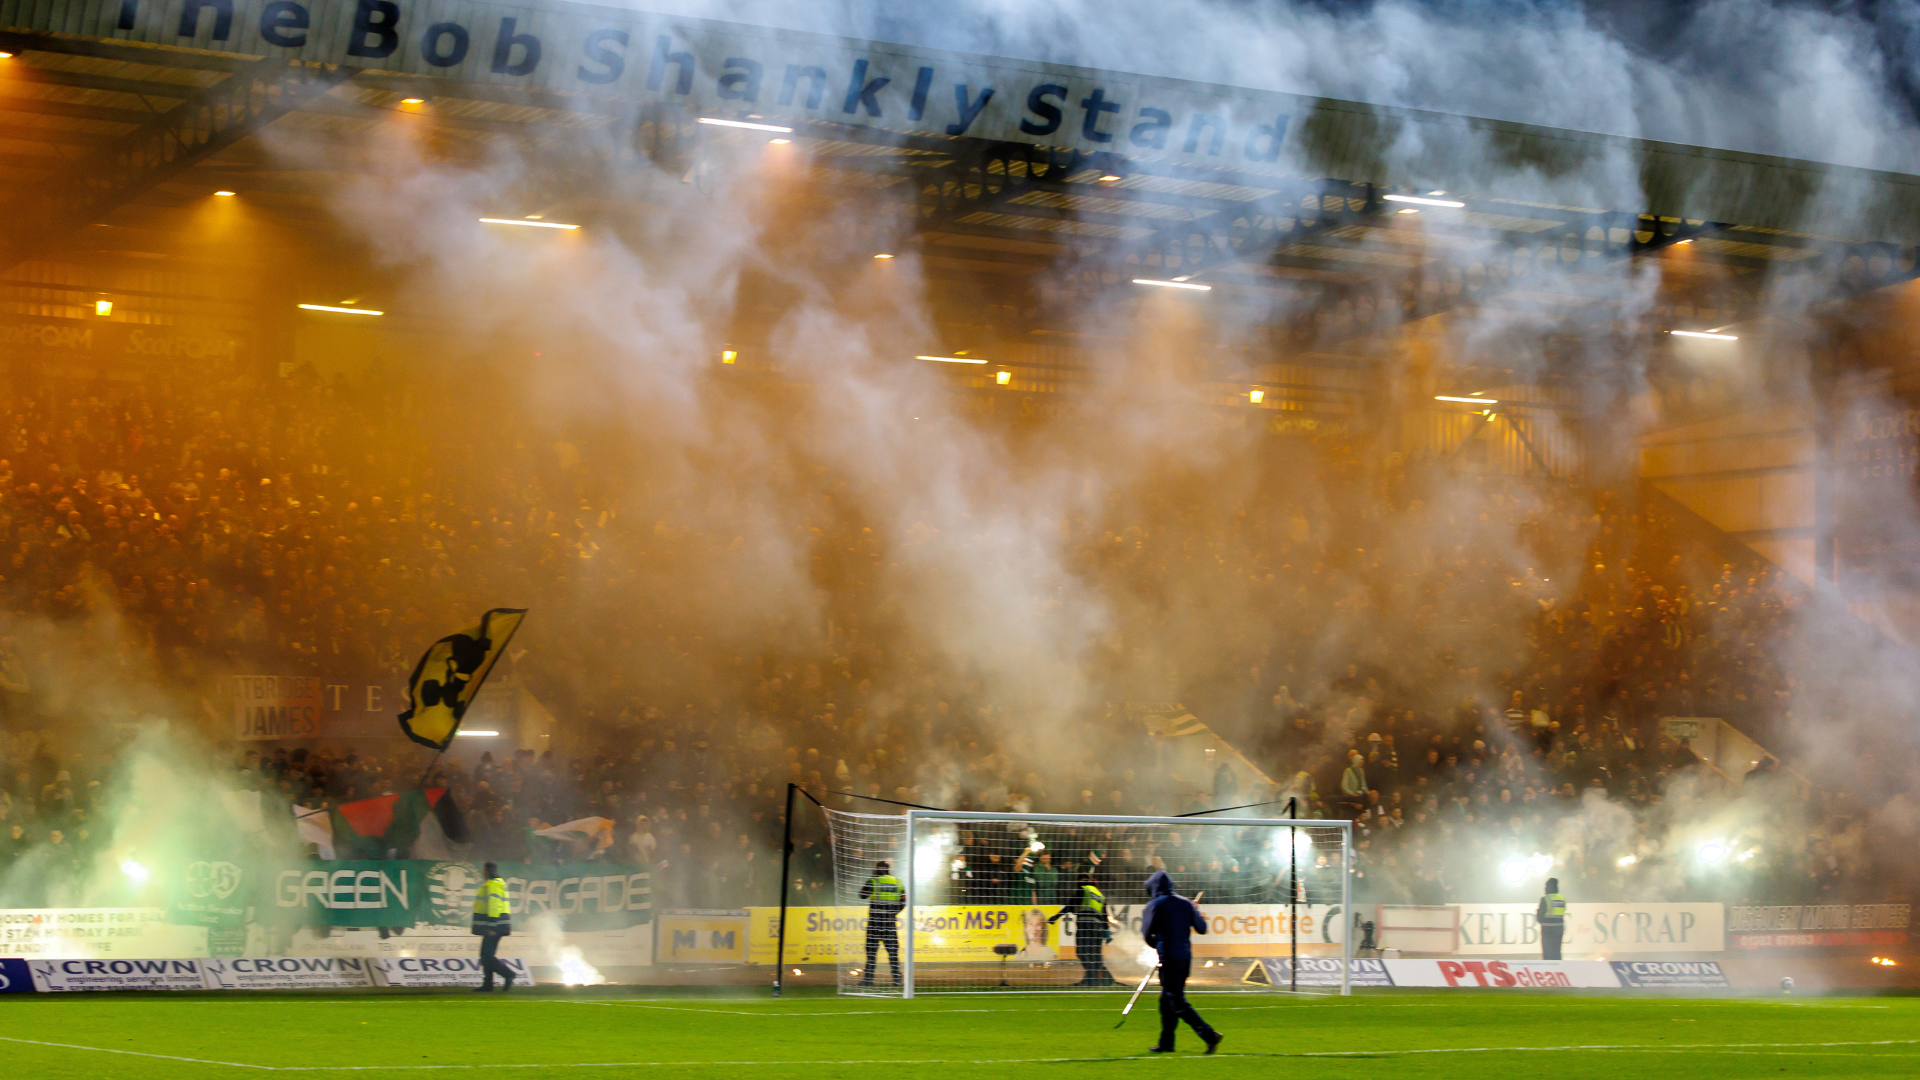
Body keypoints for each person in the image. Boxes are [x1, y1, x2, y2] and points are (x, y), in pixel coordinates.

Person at [1141, 870, 1222, 1055]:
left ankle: (1209, 1035)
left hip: (1168, 957)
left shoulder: (1153, 905)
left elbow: (1147, 935)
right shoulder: (1185, 903)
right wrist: (1194, 910)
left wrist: (1158, 946)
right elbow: (1202, 928)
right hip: (1185, 957)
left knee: (1176, 1001)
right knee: (1166, 1001)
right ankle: (1166, 1043)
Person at [1049, 871, 1115, 986]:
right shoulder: (1099, 895)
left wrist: (1056, 917)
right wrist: (1106, 931)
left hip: (1085, 925)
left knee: (1081, 952)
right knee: (1095, 954)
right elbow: (1104, 915)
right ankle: (1093, 978)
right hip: (1098, 928)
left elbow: (1070, 905)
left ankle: (1091, 977)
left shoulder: (1083, 890)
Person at [858, 859, 904, 987]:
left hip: (875, 923)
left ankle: (868, 980)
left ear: (876, 870)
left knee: (871, 953)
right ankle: (896, 979)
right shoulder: (897, 882)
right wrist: (893, 913)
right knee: (893, 952)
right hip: (889, 923)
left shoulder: (874, 882)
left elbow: (862, 895)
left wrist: (871, 879)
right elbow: (903, 901)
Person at [471, 861, 515, 992]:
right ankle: (488, 984)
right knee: (486, 955)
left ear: (487, 871)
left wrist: (491, 925)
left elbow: (494, 905)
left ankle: (508, 974)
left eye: (484, 870)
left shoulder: (494, 884)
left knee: (487, 955)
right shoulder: (495, 883)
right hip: (496, 925)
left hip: (494, 926)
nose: (482, 873)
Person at [1537, 876, 1567, 961]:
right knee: (1557, 952)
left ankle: (1548, 970)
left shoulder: (1545, 899)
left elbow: (1540, 917)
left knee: (1547, 953)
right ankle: (1558, 970)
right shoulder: (1562, 899)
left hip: (1547, 930)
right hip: (1559, 929)